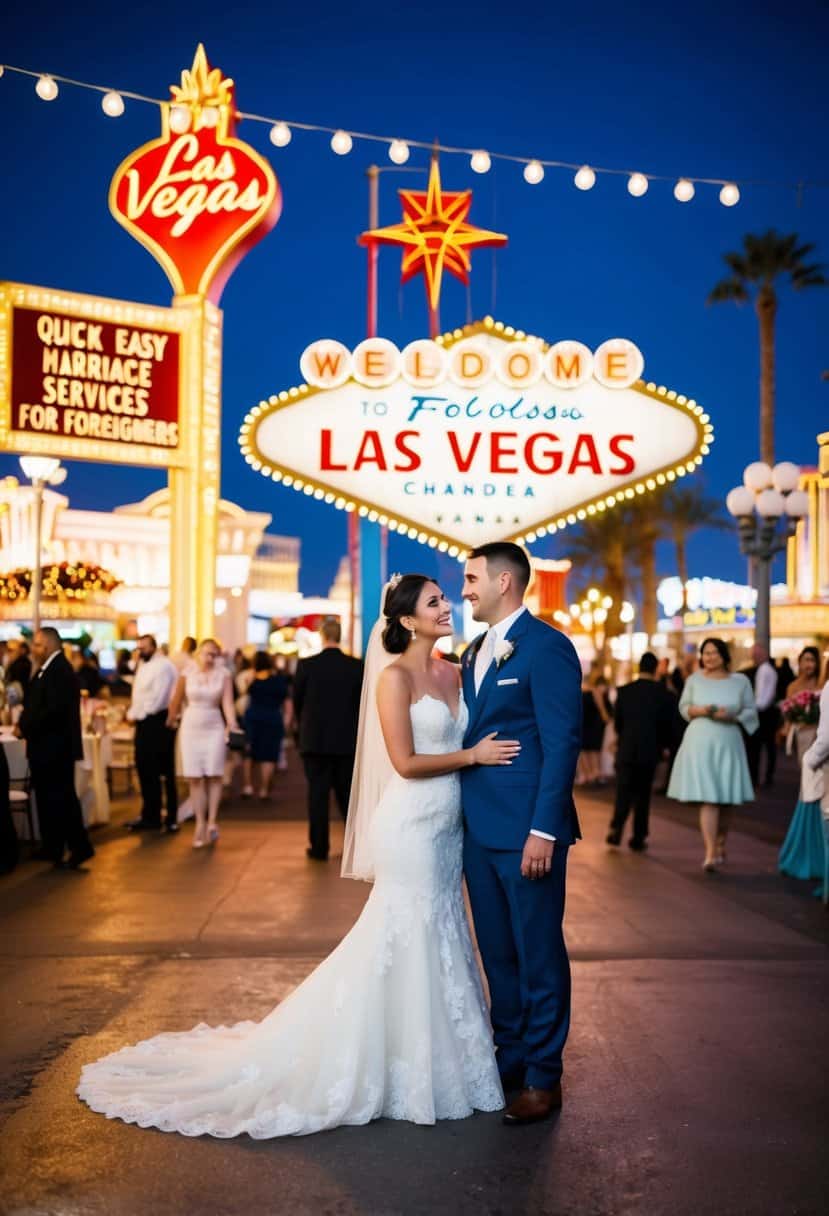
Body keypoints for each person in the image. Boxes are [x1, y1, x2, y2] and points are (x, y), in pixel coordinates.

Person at [77, 573, 516, 1136]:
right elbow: (404, 763)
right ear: (407, 620)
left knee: (446, 931)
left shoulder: (457, 670)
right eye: (434, 601)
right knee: (409, 928)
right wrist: (472, 756)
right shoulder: (392, 679)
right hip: (411, 825)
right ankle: (395, 1063)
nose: (446, 605)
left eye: (444, 597)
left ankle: (443, 1057)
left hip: (452, 827)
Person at [460, 542, 582, 1125]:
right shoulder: (471, 651)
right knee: (498, 953)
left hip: (527, 831)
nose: (464, 589)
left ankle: (543, 1075)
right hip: (476, 831)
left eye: (470, 578)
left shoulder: (548, 647)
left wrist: (544, 830)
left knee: (538, 952)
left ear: (505, 581)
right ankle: (507, 1058)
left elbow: (562, 744)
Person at [667, 637, 758, 872]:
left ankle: (720, 843)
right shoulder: (694, 680)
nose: (709, 657)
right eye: (705, 653)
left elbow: (751, 710)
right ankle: (709, 851)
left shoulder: (740, 681)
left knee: (726, 798)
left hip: (729, 741)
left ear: (724, 655)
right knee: (709, 797)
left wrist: (733, 716)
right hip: (700, 741)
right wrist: (698, 710)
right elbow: (683, 707)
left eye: (714, 653)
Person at [17, 627, 94, 869]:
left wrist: (25, 726)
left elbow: (51, 711)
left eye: (38, 645)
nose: (34, 649)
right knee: (49, 800)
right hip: (45, 746)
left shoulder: (59, 670)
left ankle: (80, 847)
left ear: (49, 645)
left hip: (55, 748)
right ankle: (53, 846)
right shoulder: (48, 669)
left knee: (62, 799)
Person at [292, 618, 363, 860]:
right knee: (347, 797)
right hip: (346, 741)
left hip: (315, 740)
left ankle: (319, 847)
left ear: (322, 636)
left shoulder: (306, 665)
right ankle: (355, 847)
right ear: (340, 635)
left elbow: (297, 702)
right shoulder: (356, 666)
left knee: (317, 796)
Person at [166, 638, 238, 848]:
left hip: (214, 726)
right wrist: (170, 719)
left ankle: (212, 821)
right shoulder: (187, 672)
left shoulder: (223, 674)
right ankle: (199, 821)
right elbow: (176, 700)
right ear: (197, 654)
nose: (209, 659)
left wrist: (231, 724)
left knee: (214, 775)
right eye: (206, 654)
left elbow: (228, 703)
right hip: (191, 726)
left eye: (213, 655)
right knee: (195, 778)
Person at [606, 651, 675, 851]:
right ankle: (639, 835)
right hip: (650, 750)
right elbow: (667, 726)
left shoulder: (625, 691)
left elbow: (618, 723)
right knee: (643, 794)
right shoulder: (664, 694)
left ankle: (616, 828)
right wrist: (664, 747)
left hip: (627, 748)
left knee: (623, 790)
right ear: (655, 669)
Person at [778, 646, 824, 880]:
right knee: (806, 787)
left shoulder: (823, 684)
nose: (809, 665)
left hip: (819, 739)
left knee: (816, 790)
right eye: (805, 660)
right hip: (802, 740)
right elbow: (787, 718)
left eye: (812, 661)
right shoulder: (793, 687)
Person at [125, 635, 179, 834]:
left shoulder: (164, 666)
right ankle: (150, 814)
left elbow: (158, 698)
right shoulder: (143, 665)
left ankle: (170, 816)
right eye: (139, 648)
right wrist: (132, 713)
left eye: (144, 648)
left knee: (162, 770)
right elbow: (138, 696)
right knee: (144, 768)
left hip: (157, 721)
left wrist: (135, 714)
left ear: (154, 647)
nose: (141, 651)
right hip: (142, 721)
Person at [242, 652, 289, 799]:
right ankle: (263, 789)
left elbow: (244, 694)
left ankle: (248, 786)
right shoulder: (279, 680)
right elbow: (287, 703)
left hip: (253, 717)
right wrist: (287, 721)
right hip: (272, 718)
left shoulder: (251, 679)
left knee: (249, 753)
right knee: (268, 755)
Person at [744, 643, 780, 788]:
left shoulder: (766, 670)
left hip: (764, 714)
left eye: (756, 654)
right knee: (761, 747)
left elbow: (765, 696)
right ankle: (760, 777)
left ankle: (763, 777)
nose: (754, 657)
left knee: (761, 747)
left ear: (763, 654)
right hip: (762, 713)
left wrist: (754, 710)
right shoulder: (764, 670)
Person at [577, 669, 611, 785]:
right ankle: (594, 773)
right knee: (592, 750)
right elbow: (605, 712)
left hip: (586, 725)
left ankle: (588, 774)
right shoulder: (595, 693)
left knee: (586, 750)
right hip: (594, 726)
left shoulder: (582, 692)